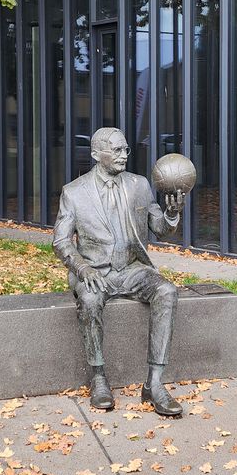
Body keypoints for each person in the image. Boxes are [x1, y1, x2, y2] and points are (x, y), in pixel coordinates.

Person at [52, 127, 187, 416]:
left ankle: (154, 384)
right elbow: (61, 241)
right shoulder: (74, 193)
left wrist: (172, 214)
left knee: (167, 290)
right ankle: (98, 377)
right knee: (89, 301)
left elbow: (159, 229)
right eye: (116, 150)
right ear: (95, 154)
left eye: (125, 149)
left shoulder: (139, 185)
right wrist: (82, 267)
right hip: (94, 271)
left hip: (132, 269)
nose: (124, 155)